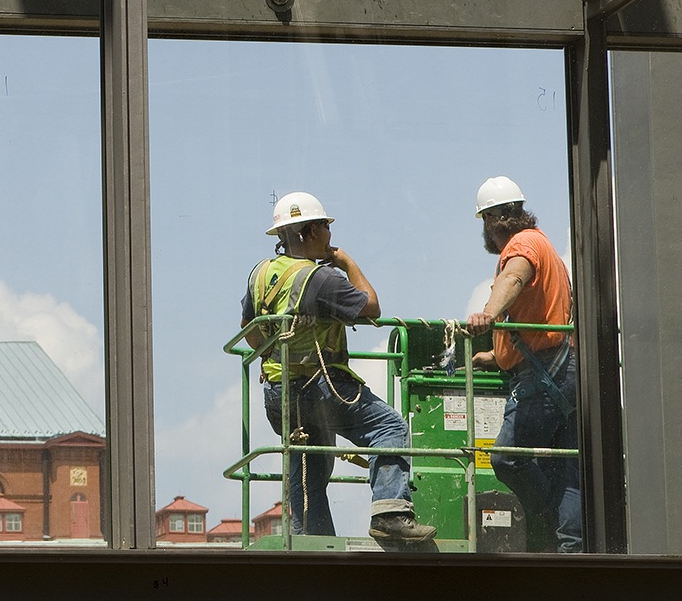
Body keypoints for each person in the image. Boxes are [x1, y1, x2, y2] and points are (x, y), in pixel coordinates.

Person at [243, 192, 436, 546]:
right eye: (326, 227)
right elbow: (372, 307)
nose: (330, 235)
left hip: (278, 393)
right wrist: (346, 262)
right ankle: (390, 514)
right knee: (389, 427)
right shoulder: (320, 279)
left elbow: (249, 328)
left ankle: (309, 539)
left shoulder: (261, 274)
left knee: (307, 463)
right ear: (311, 231)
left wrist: (272, 358)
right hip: (320, 388)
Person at [466, 177, 581, 553]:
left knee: (507, 457)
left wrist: (487, 314)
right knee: (566, 469)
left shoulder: (522, 245)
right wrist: (496, 356)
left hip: (545, 374)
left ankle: (546, 515)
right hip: (562, 369)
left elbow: (515, 276)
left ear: (489, 220)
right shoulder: (544, 245)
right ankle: (570, 548)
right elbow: (539, 316)